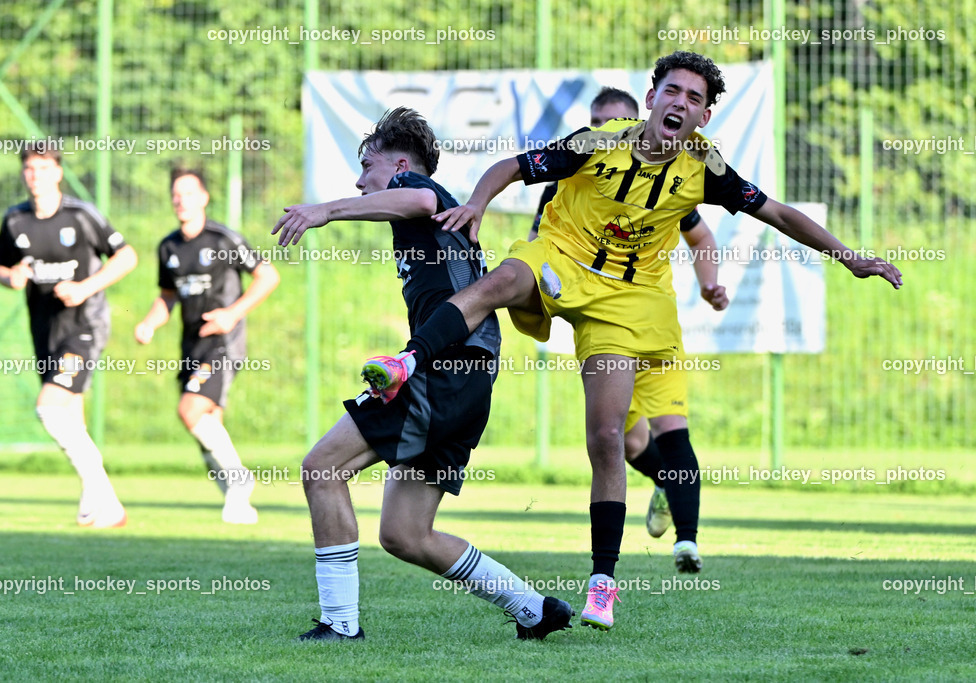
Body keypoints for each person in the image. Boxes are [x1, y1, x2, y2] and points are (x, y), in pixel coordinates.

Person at [360, 51, 903, 632]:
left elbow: (777, 213)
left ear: (704, 116)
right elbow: (512, 166)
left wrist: (850, 258)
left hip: (625, 302)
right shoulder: (597, 143)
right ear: (651, 98)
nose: (680, 103)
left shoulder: (705, 167)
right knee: (501, 281)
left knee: (607, 435)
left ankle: (602, 585)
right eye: (672, 91)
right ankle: (408, 361)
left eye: (694, 99)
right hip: (560, 257)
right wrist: (476, 203)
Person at [272, 107, 574, 641]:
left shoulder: (420, 194)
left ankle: (340, 625)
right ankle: (534, 608)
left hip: (444, 372)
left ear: (402, 163)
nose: (360, 179)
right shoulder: (426, 221)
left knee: (322, 467)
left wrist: (326, 211)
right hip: (464, 377)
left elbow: (420, 196)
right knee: (406, 534)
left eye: (368, 165)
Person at [530, 86, 730, 555]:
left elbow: (701, 237)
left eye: (613, 121)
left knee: (669, 428)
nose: (604, 131)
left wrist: (710, 285)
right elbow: (541, 248)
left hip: (649, 323)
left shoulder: (669, 183)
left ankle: (688, 541)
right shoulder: (573, 179)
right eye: (597, 121)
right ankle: (666, 483)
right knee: (627, 440)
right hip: (601, 325)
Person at [0, 141, 138, 528]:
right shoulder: (13, 220)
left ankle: (105, 500)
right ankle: (96, 501)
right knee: (71, 418)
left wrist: (85, 289)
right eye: (29, 168)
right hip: (44, 330)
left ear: (58, 172)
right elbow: (2, 267)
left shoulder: (81, 215)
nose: (35, 176)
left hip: (85, 325)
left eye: (43, 168)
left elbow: (127, 256)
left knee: (50, 406)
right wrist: (11, 277)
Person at [135, 168, 279, 524]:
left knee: (190, 411)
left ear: (204, 198)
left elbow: (268, 275)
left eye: (188, 192)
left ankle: (240, 482)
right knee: (208, 425)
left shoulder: (222, 239)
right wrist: (149, 322)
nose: (181, 200)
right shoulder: (168, 246)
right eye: (176, 194)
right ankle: (237, 504)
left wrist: (232, 313)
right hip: (191, 347)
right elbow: (167, 296)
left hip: (223, 343)